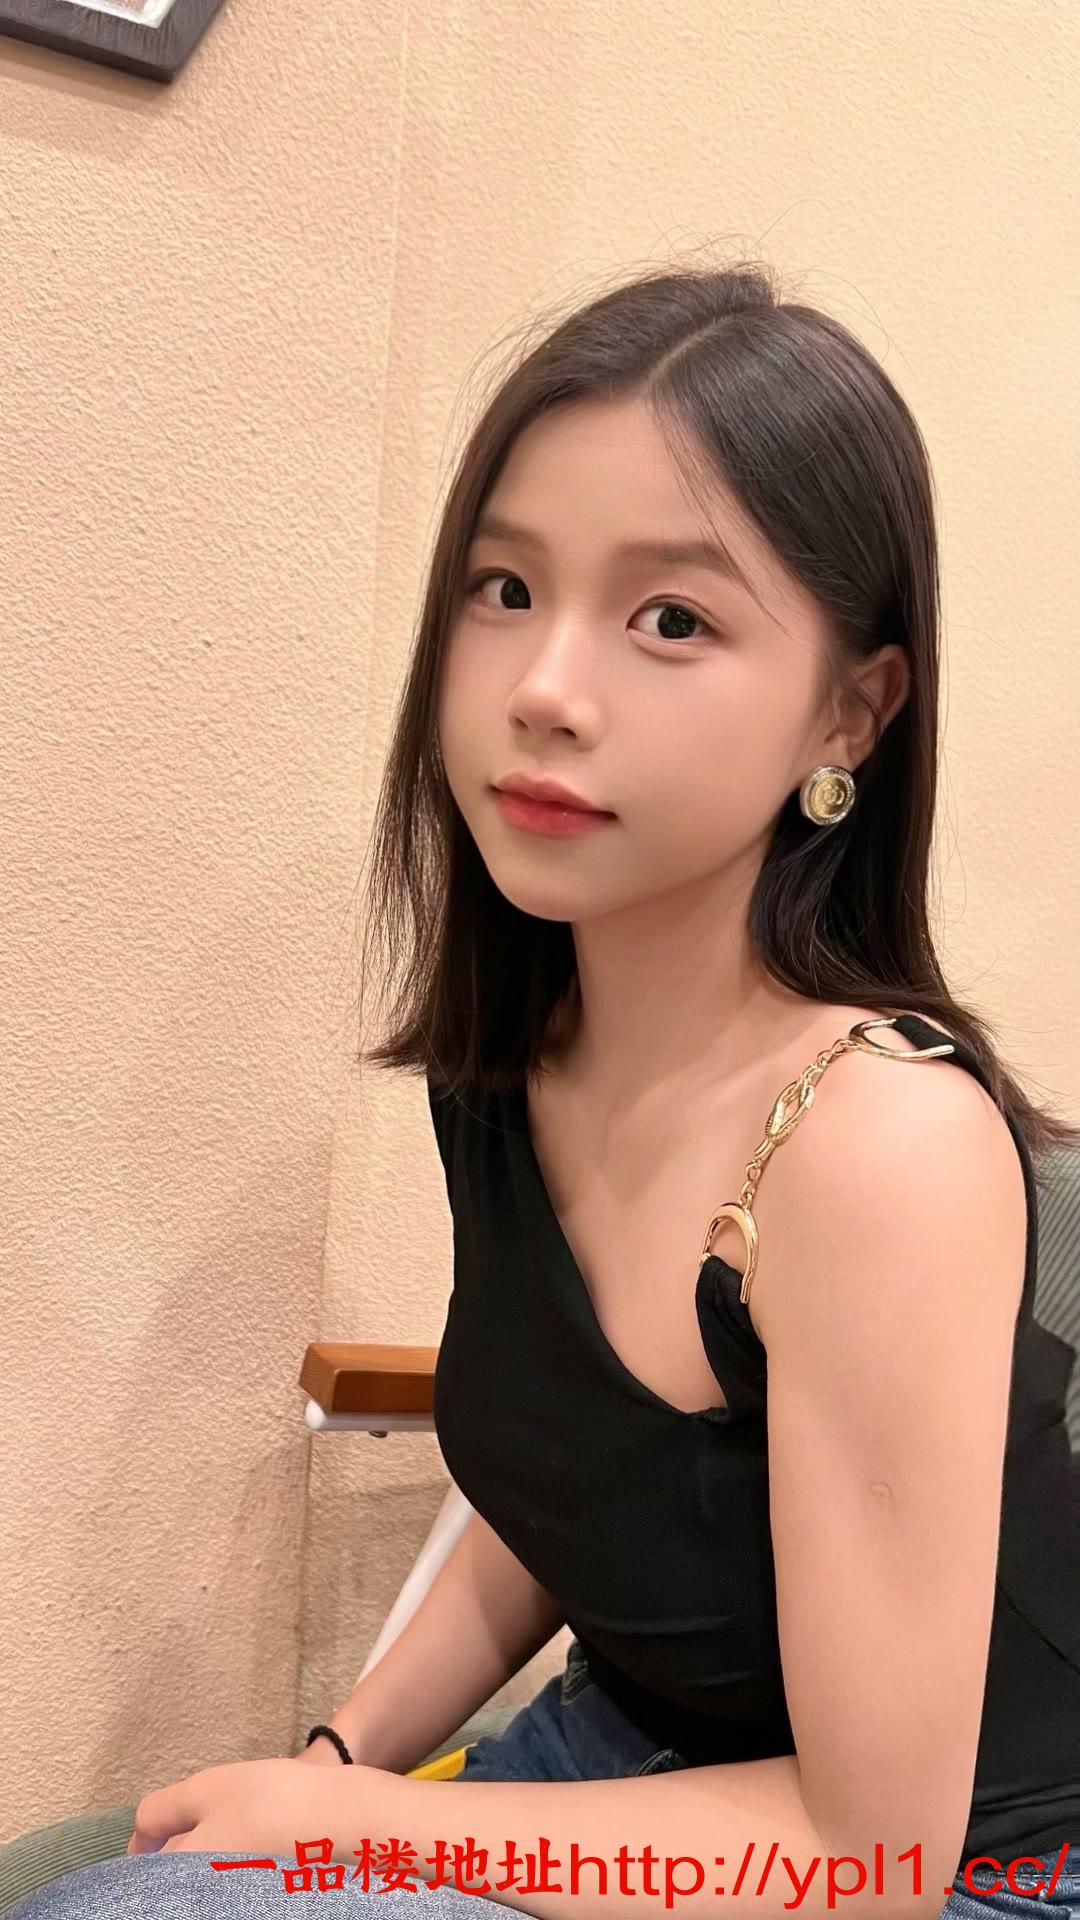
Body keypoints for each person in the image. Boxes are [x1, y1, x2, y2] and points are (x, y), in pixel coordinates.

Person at [15, 259, 1080, 1919]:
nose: (543, 691)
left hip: (952, 1875)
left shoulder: (880, 1146)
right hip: (632, 1760)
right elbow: (573, 1482)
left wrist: (358, 1829)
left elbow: (869, 1857)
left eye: (672, 621)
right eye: (504, 588)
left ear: (852, 713)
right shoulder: (518, 1059)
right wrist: (345, 1756)